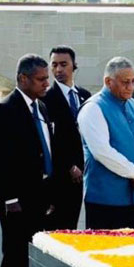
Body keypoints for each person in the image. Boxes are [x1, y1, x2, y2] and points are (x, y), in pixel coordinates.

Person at [0, 54, 56, 267]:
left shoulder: (42, 107)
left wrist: (49, 195)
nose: (46, 84)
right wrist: (9, 198)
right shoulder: (4, 109)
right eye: (41, 79)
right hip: (15, 201)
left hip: (38, 196)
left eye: (46, 79)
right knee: (15, 258)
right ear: (23, 78)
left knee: (26, 258)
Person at [78, 57, 134, 230]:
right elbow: (101, 151)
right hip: (105, 200)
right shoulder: (93, 108)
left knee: (131, 253)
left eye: (133, 81)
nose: (130, 87)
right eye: (125, 82)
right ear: (108, 81)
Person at [41, 46, 91, 230]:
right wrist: (69, 165)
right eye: (54, 65)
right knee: (55, 230)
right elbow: (49, 140)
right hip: (58, 179)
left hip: (84, 176)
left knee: (72, 228)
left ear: (74, 66)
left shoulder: (85, 96)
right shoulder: (45, 99)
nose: (58, 69)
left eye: (63, 64)